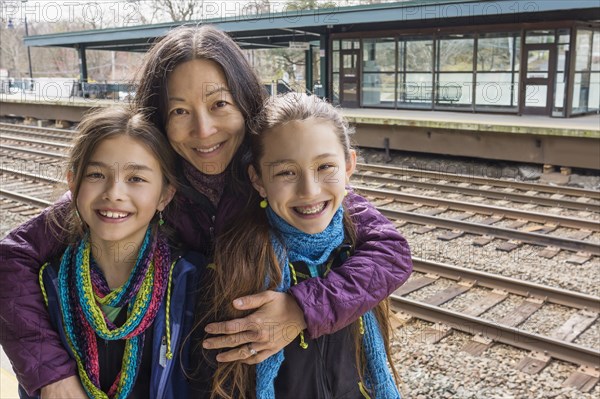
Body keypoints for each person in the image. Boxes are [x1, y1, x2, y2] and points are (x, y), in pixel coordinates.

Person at [0, 25, 412, 397]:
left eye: (219, 104)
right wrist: (50, 373)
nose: (203, 129)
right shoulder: (142, 184)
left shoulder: (276, 175)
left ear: (246, 103)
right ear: (159, 118)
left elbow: (390, 251)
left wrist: (303, 309)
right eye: (179, 111)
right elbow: (13, 255)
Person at [195, 93, 402, 399]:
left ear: (349, 167)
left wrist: (301, 311)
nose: (309, 190)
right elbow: (213, 382)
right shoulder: (236, 265)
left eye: (325, 167)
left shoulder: (360, 252)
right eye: (286, 172)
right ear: (258, 180)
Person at [18, 106, 199, 399]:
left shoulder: (191, 282)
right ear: (73, 184)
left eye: (136, 179)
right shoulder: (45, 285)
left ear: (165, 195)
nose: (114, 192)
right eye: (96, 174)